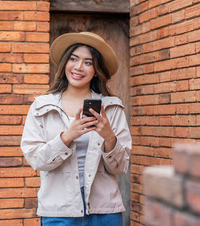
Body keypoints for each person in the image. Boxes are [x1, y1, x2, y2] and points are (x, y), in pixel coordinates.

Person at [20, 32, 132, 226]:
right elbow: (36, 159)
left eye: (88, 62)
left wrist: (109, 138)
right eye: (74, 59)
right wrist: (67, 137)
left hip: (104, 210)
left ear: (96, 70)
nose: (79, 67)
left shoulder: (112, 108)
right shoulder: (42, 107)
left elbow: (120, 167)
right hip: (59, 211)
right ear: (65, 63)